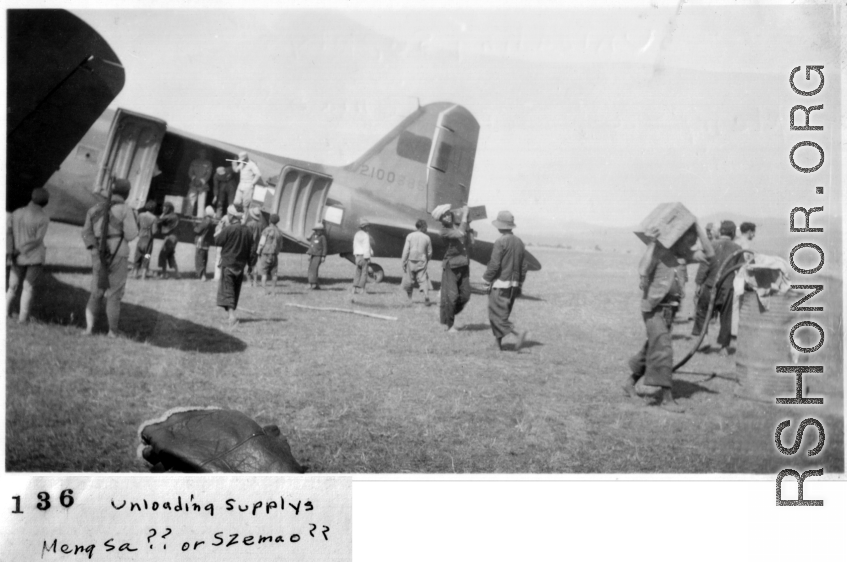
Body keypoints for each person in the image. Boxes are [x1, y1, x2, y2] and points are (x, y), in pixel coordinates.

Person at [623, 221, 713, 412]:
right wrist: (652, 243)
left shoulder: (684, 256)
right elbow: (642, 269)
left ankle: (630, 383)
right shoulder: (658, 251)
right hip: (654, 308)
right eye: (688, 240)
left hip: (670, 311)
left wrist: (698, 228)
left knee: (653, 347)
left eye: (693, 240)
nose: (691, 244)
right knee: (663, 348)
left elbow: (709, 254)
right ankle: (666, 398)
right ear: (677, 239)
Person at [81, 179, 139, 337]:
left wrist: (95, 249)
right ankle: (112, 331)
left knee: (96, 292)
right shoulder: (126, 210)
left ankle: (89, 329)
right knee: (114, 294)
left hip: (98, 254)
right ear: (126, 194)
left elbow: (86, 233)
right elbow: (131, 234)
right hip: (118, 253)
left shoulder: (95, 208)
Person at [692, 220, 744, 356]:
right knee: (726, 316)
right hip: (727, 288)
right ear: (733, 233)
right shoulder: (737, 248)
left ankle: (703, 341)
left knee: (702, 312)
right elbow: (741, 269)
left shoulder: (711, 245)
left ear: (720, 232)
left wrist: (698, 284)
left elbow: (703, 266)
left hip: (709, 285)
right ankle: (724, 347)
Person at [481, 211, 529, 351]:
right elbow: (524, 266)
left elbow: (494, 264)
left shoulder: (500, 241)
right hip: (513, 285)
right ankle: (498, 346)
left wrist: (486, 279)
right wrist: (519, 284)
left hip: (500, 283)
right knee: (503, 314)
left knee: (495, 314)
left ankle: (517, 334)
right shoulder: (519, 242)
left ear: (500, 226)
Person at [6, 188, 51, 323]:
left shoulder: (16, 213)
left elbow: (9, 233)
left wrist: (10, 251)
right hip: (34, 257)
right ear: (45, 203)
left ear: (32, 197)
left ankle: (4, 312)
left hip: (16, 256)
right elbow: (37, 239)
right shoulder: (43, 217)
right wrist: (21, 249)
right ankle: (23, 318)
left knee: (12, 287)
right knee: (28, 287)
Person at [433, 204, 472, 332]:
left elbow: (469, 241)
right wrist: (465, 215)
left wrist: (468, 224)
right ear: (441, 220)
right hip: (452, 266)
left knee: (465, 295)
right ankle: (450, 326)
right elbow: (460, 233)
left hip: (464, 264)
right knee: (452, 296)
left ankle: (447, 312)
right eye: (444, 216)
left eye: (448, 213)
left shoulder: (457, 225)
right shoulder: (444, 231)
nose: (447, 216)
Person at [214, 205, 254, 326]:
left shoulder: (229, 229)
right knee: (234, 290)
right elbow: (252, 250)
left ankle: (231, 316)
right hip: (240, 265)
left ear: (231, 216)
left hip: (228, 264)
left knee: (228, 290)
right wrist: (251, 265)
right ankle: (230, 314)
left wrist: (220, 228)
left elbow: (217, 241)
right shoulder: (248, 230)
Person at [731, 221, 756, 336]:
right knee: (737, 305)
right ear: (750, 231)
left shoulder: (735, 241)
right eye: (753, 232)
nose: (754, 235)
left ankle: (733, 329)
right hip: (740, 276)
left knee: (733, 304)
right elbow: (747, 264)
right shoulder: (746, 245)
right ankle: (734, 332)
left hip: (731, 275)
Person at [401, 219, 432, 304]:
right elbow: (429, 252)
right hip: (422, 260)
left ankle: (410, 299)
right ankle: (426, 296)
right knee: (423, 279)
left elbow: (406, 250)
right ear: (423, 227)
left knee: (409, 280)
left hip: (411, 260)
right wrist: (427, 259)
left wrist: (403, 261)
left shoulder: (410, 236)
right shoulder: (427, 237)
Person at [131, 201, 158, 280]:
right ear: (154, 209)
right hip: (148, 240)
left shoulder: (140, 215)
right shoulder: (154, 218)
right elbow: (154, 231)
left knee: (137, 256)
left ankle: (135, 274)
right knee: (147, 256)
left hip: (140, 238)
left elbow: (137, 226)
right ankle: (143, 275)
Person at [257, 213, 284, 289]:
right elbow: (280, 245)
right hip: (274, 254)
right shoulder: (279, 232)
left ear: (269, 220)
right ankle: (273, 291)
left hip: (266, 253)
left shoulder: (267, 230)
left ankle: (265, 290)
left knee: (264, 273)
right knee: (274, 273)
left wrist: (258, 250)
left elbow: (262, 242)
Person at [185, 149, 213, 217]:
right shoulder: (194, 162)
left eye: (204, 153)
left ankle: (199, 217)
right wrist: (193, 179)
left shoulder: (208, 163)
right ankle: (188, 214)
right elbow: (190, 172)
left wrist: (202, 181)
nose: (202, 154)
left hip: (203, 185)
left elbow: (208, 174)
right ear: (199, 154)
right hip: (194, 183)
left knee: (201, 202)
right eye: (201, 153)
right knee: (190, 200)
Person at [243, 205, 266, 286]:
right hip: (257, 246)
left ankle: (250, 282)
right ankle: (255, 281)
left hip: (250, 246)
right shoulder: (261, 225)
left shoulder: (249, 224)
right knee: (254, 264)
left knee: (249, 265)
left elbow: (246, 236)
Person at [351, 218, 374, 297]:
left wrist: (355, 255)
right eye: (368, 227)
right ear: (365, 227)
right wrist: (368, 257)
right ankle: (362, 289)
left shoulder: (357, 234)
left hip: (357, 256)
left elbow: (354, 245)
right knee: (364, 273)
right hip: (364, 256)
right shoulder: (365, 235)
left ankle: (354, 288)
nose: (369, 228)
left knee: (357, 273)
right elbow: (366, 247)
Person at [157, 202, 180, 279]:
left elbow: (158, 220)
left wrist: (163, 213)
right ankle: (177, 273)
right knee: (170, 255)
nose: (163, 209)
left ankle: (164, 274)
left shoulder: (169, 216)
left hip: (170, 238)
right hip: (173, 237)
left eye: (165, 207)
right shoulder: (174, 216)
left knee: (163, 254)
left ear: (168, 208)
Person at [193, 205, 216, 281]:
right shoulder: (211, 221)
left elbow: (197, 230)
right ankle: (203, 274)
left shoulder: (205, 220)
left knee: (199, 258)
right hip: (206, 243)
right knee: (204, 259)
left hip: (201, 242)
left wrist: (194, 225)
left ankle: (202, 275)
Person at [306, 223, 327, 290]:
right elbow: (308, 238)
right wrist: (309, 254)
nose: (319, 232)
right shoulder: (313, 236)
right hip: (312, 255)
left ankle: (314, 284)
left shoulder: (322, 237)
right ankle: (311, 283)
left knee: (314, 269)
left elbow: (324, 247)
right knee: (310, 269)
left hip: (318, 255)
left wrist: (323, 256)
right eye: (317, 230)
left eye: (320, 230)